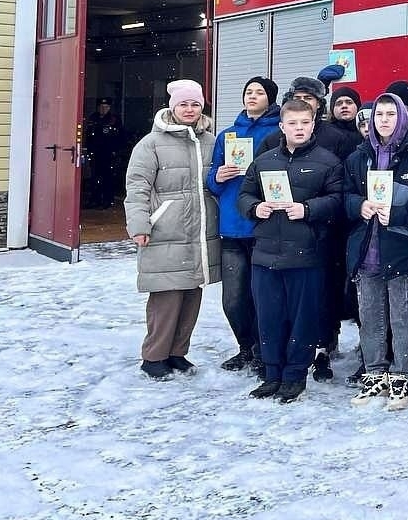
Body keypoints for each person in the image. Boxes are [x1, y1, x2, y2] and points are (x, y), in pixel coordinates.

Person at [238, 98, 344, 403]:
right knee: (268, 316)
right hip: (266, 253)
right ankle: (272, 374)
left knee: (302, 318)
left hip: (305, 254)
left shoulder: (328, 162)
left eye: (305, 123)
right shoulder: (264, 160)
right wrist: (255, 208)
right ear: (282, 126)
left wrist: (308, 209)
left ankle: (295, 375)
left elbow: (338, 200)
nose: (299, 128)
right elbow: (245, 194)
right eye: (293, 123)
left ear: (313, 125)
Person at [256, 75, 359, 381]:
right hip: (278, 236)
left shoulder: (336, 140)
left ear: (318, 107)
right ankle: (276, 359)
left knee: (323, 296)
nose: (306, 104)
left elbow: (342, 187)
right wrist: (254, 207)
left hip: (324, 233)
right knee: (281, 304)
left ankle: (323, 349)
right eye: (299, 97)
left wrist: (317, 211)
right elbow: (254, 180)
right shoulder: (273, 143)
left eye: (311, 98)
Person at [343, 93, 408, 410]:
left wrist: (399, 215)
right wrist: (359, 205)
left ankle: (399, 375)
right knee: (369, 319)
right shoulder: (358, 157)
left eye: (390, 114)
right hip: (366, 250)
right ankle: (374, 375)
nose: (384, 120)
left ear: (403, 119)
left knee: (403, 318)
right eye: (379, 114)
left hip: (401, 248)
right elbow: (344, 195)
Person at [124, 79, 220, 380]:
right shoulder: (151, 143)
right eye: (183, 104)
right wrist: (139, 223)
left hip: (200, 231)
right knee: (166, 295)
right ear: (172, 107)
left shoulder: (212, 141)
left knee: (191, 294)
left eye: (195, 104)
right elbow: (137, 186)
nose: (190, 109)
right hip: (165, 227)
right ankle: (154, 357)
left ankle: (177, 353)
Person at [206, 76, 280, 373]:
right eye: (248, 92)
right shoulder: (226, 135)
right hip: (232, 228)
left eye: (259, 93)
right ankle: (245, 347)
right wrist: (217, 176)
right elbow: (212, 180)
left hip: (265, 228)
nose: (252, 96)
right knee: (234, 299)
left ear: (270, 99)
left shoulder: (277, 132)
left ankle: (265, 351)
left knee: (263, 297)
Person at [83, 97, 123, 208]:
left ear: (109, 108)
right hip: (95, 153)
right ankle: (94, 200)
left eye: (106, 107)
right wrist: (87, 149)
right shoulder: (93, 118)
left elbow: (119, 137)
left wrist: (116, 152)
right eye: (101, 107)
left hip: (108, 154)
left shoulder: (114, 120)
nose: (103, 109)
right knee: (95, 177)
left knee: (107, 178)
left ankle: (107, 201)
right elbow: (89, 136)